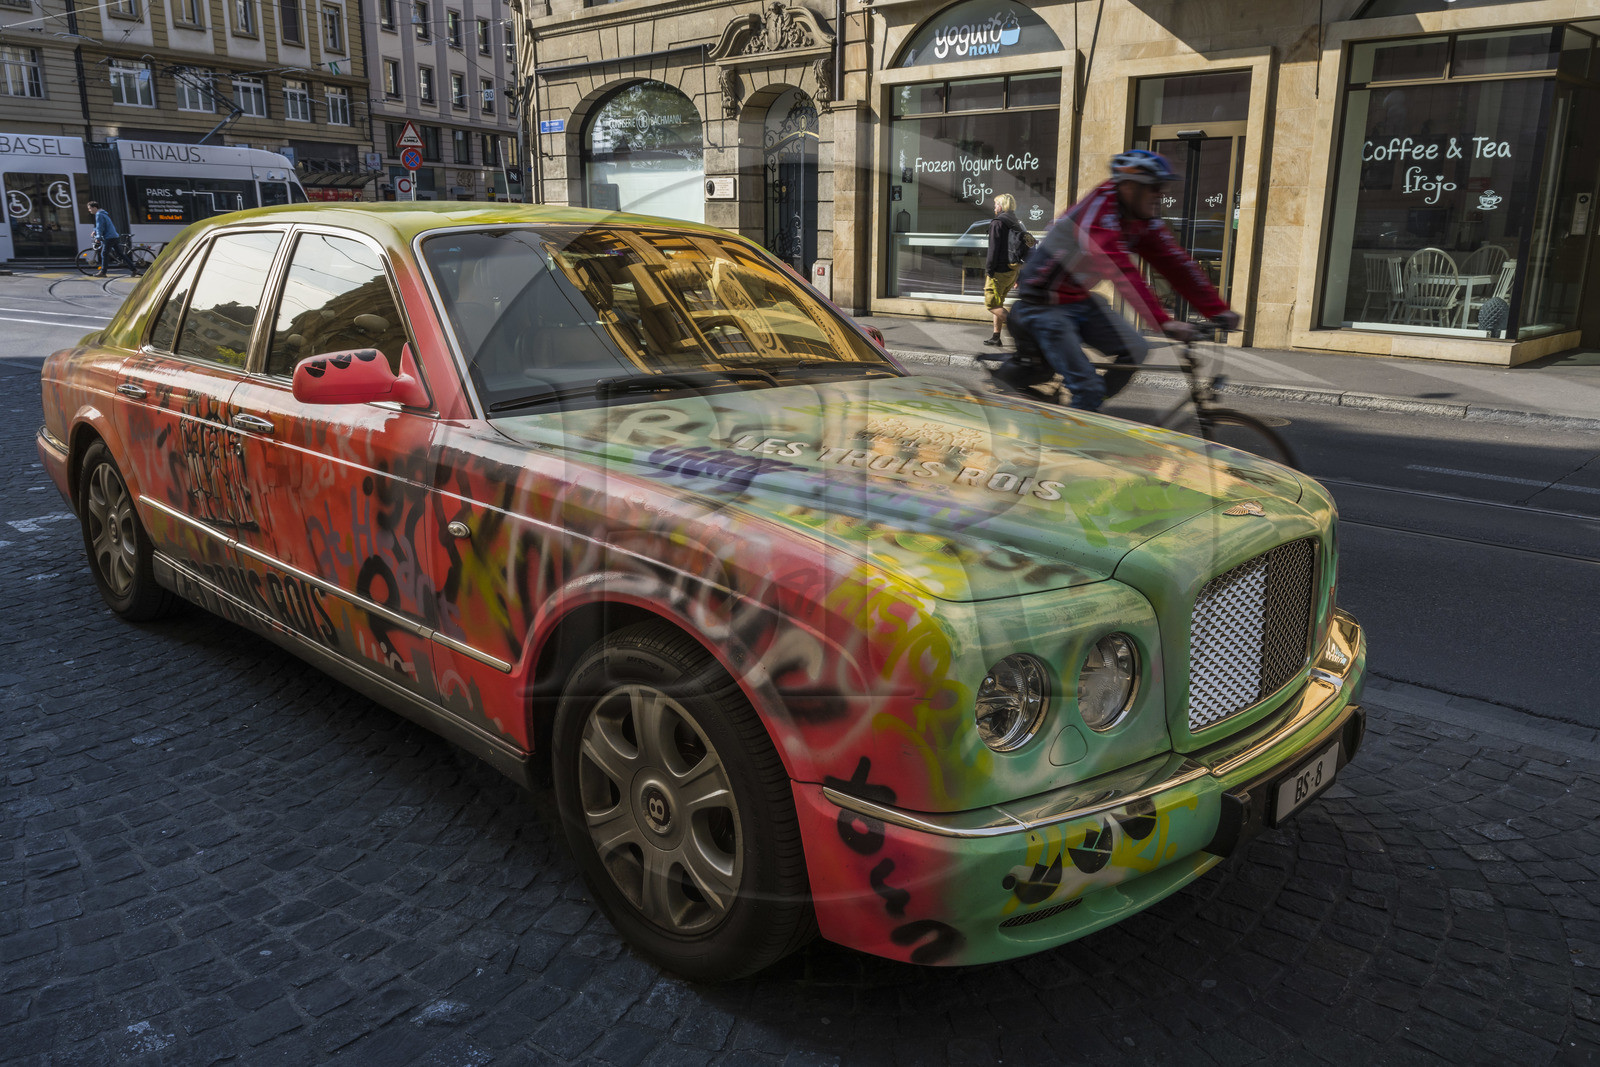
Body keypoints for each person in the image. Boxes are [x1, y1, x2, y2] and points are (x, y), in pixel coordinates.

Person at [997, 150, 1240, 411]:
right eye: (1154, 187)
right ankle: (1076, 433)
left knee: (1136, 349)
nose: (1160, 193)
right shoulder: (1099, 213)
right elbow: (1122, 272)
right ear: (1128, 187)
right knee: (1087, 387)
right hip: (1042, 305)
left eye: (1162, 187)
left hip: (1078, 299)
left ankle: (1093, 411)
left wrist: (1217, 309)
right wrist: (1164, 323)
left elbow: (1176, 263)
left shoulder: (1142, 220)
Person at [982, 193, 1031, 347]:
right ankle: (996, 337)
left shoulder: (998, 222)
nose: (994, 207)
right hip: (1013, 270)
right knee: (999, 302)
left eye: (996, 204)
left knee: (991, 304)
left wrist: (989, 269)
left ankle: (1022, 331)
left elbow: (993, 249)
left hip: (999, 271)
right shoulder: (1015, 221)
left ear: (1001, 206)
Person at [87, 201, 138, 277]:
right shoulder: (103, 213)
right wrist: (95, 231)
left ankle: (103, 272)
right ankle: (134, 269)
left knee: (104, 254)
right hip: (114, 236)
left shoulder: (99, 215)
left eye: (90, 208)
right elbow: (101, 225)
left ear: (94, 207)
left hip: (109, 237)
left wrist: (98, 237)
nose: (89, 210)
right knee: (120, 254)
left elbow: (100, 227)